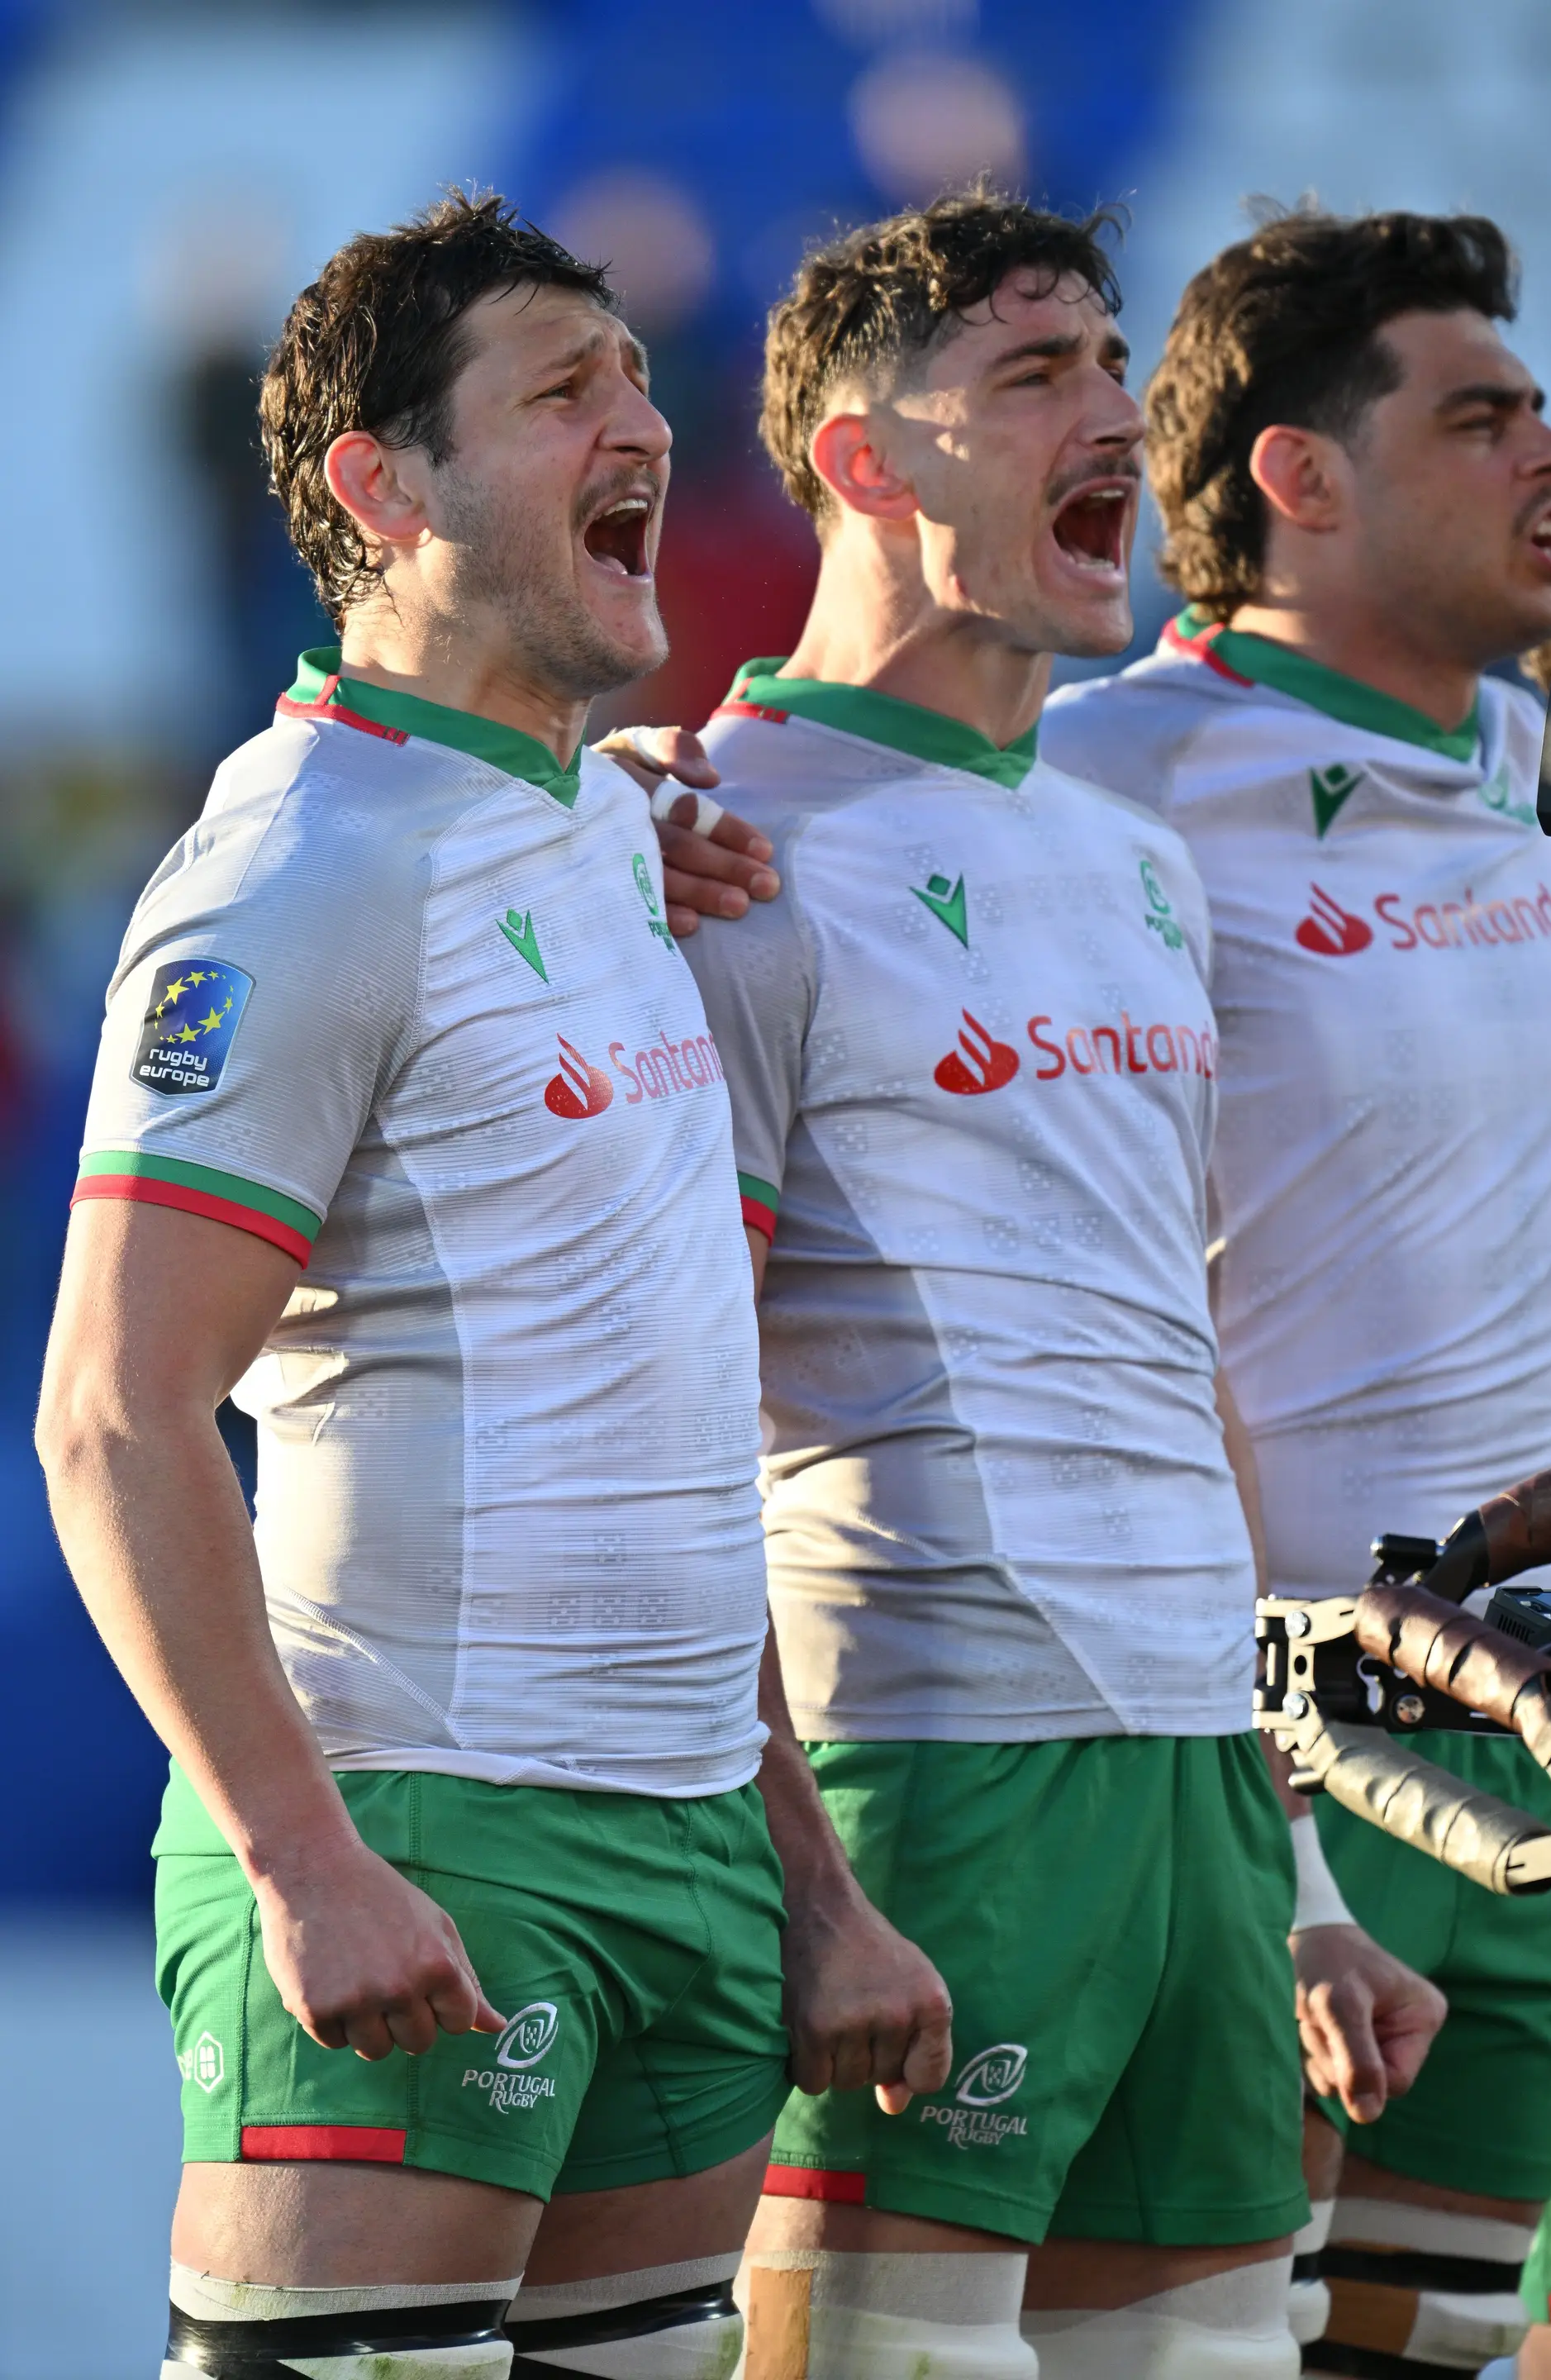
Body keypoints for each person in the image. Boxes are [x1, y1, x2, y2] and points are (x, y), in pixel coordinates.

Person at [33, 191, 948, 2380]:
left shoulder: (603, 823)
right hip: (426, 1831)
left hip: (694, 1857)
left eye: (636, 379)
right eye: (561, 394)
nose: (643, 424)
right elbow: (111, 1415)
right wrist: (300, 1858)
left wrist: (809, 1881)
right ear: (383, 487)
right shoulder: (297, 871)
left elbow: (664, 1417)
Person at [651, 184, 1444, 2380]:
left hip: (1200, 1799)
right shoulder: (714, 853)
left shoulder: (1132, 857)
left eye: (1112, 362)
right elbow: (658, 1419)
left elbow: (1181, 1371)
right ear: (865, 460)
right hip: (931, 1780)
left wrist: (1296, 1871)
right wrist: (811, 1884)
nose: (1113, 414)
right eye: (1031, 375)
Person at [1039, 207, 1551, 2380]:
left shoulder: (1531, 763)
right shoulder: (1103, 780)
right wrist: (654, 804)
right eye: (1484, 417)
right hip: (1262, 1764)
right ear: (1301, 476)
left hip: (1535, 1738)